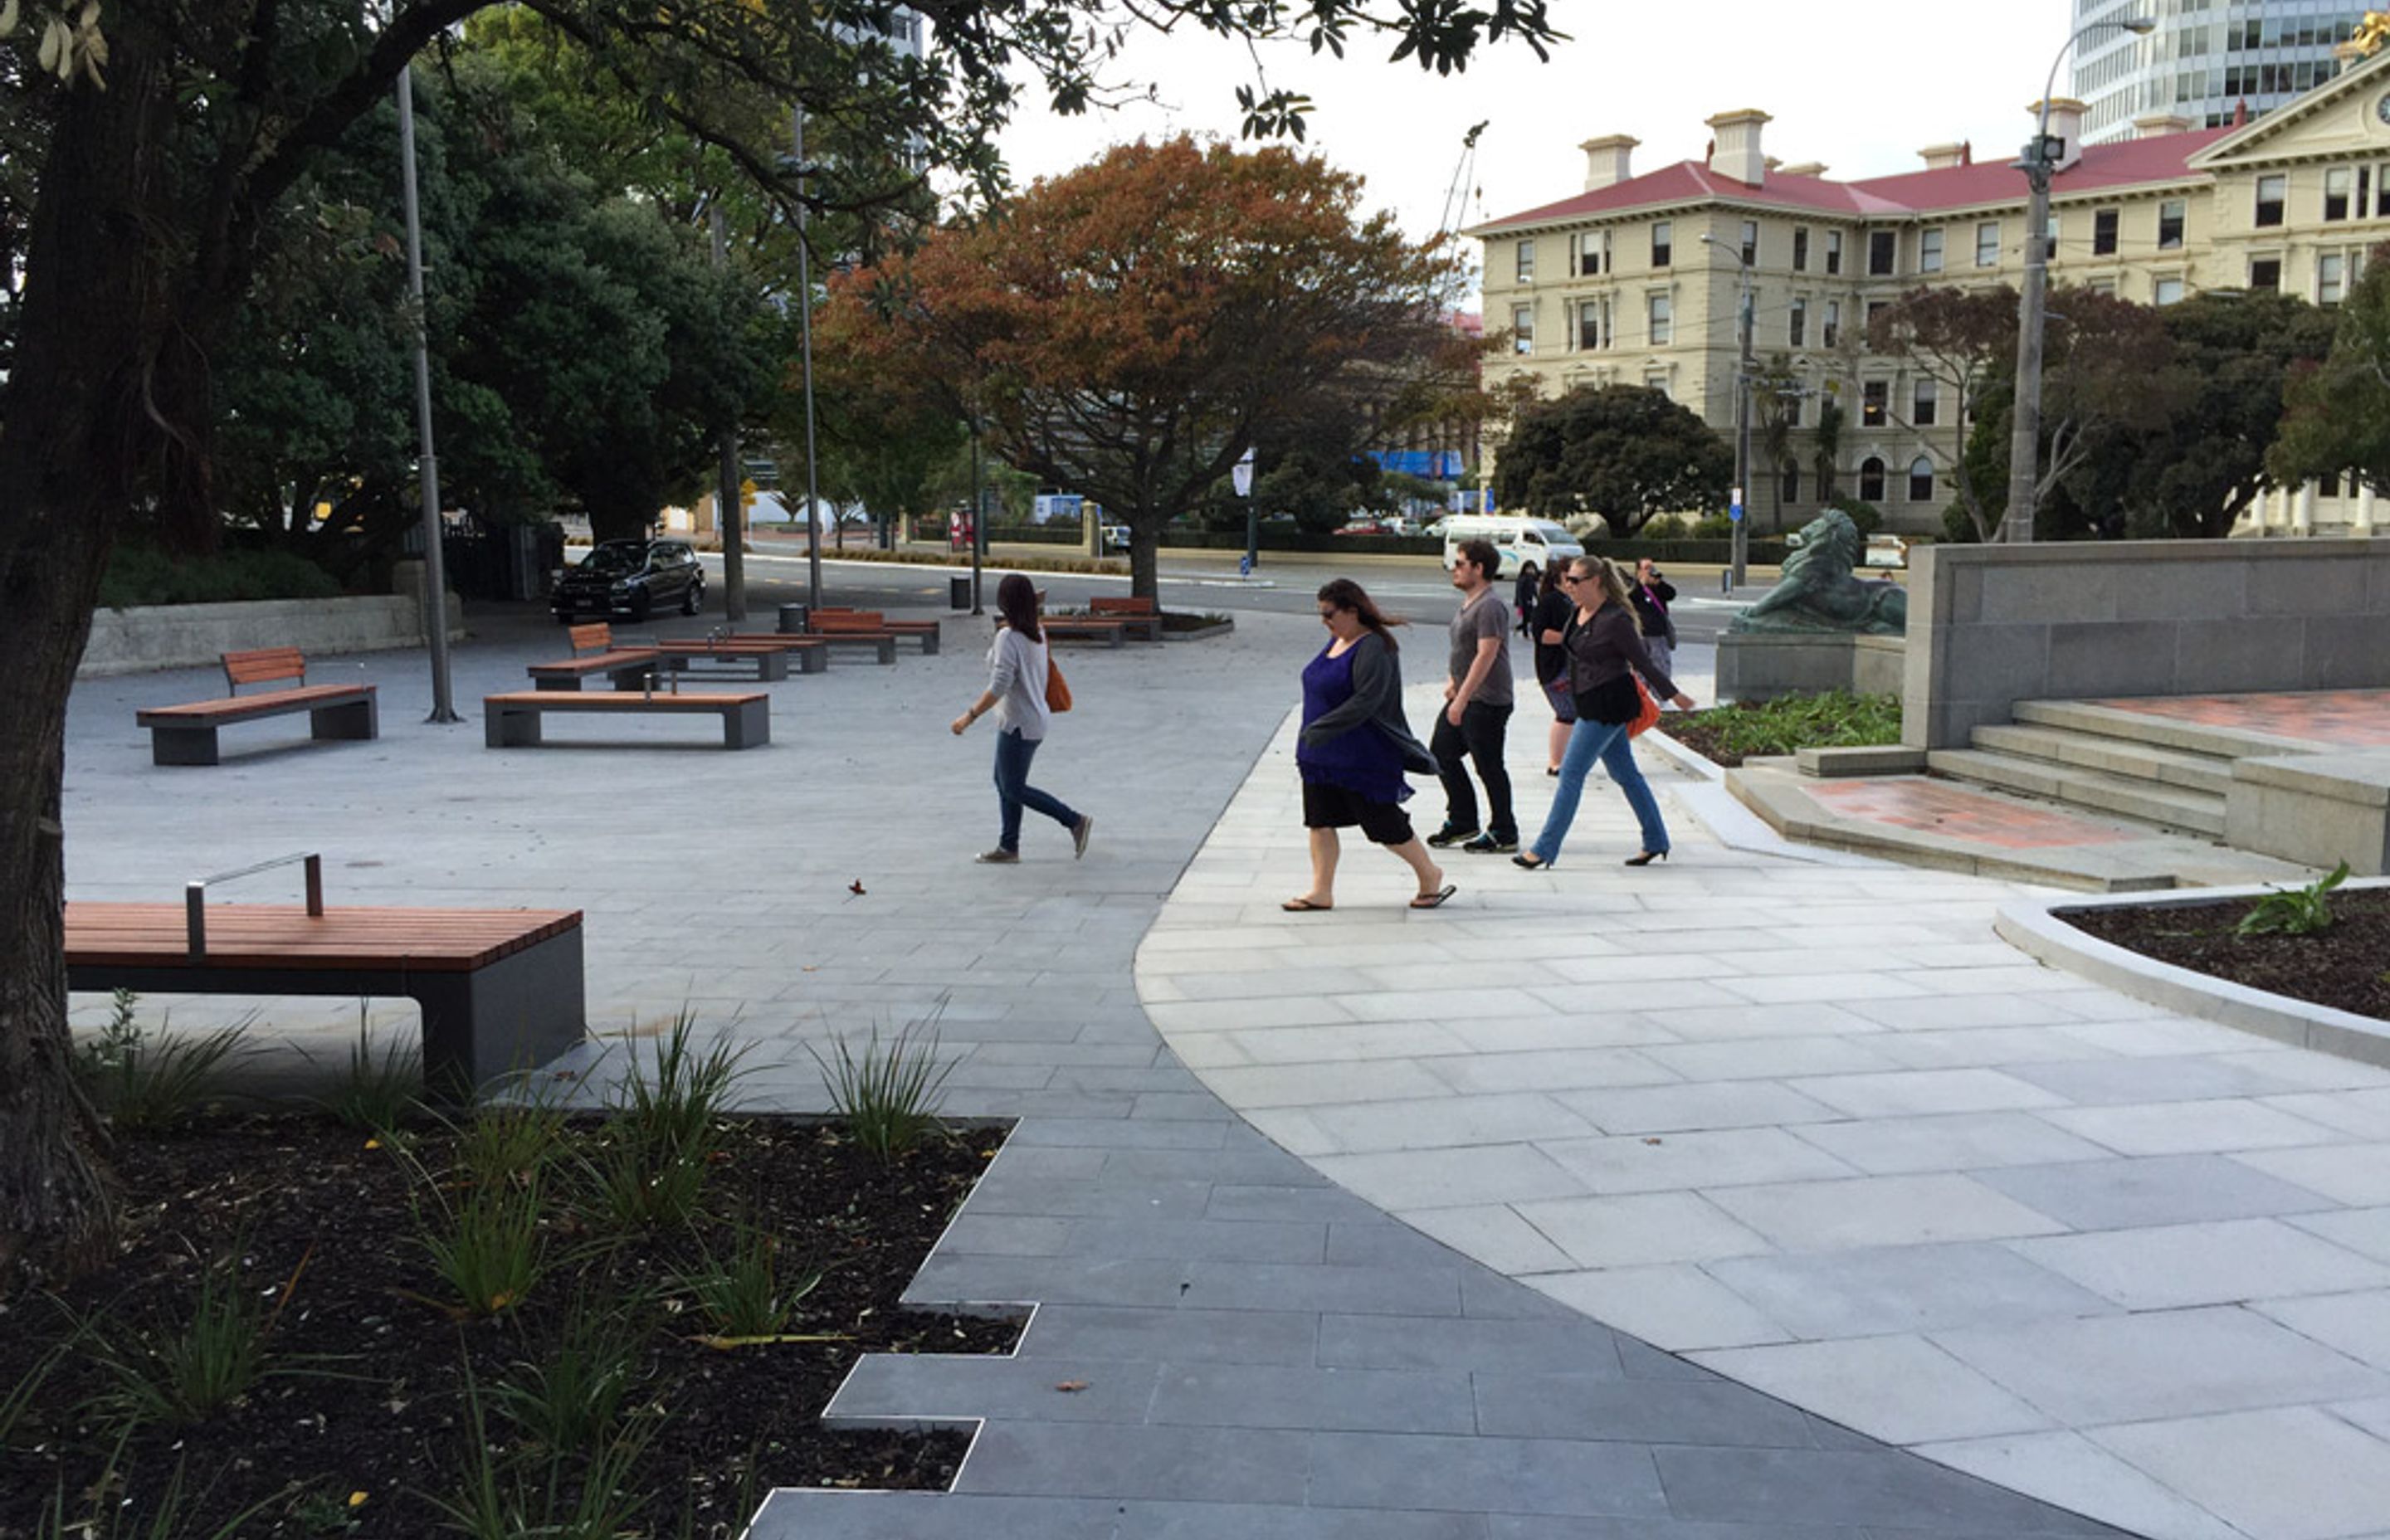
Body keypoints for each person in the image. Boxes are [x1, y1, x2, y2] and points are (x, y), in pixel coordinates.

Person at [1515, 556, 1695, 871]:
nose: (1568, 585)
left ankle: (1544, 848)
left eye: (1575, 580)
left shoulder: (1615, 620)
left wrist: (1674, 695)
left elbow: (1644, 662)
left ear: (1595, 582)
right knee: (1625, 774)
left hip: (1608, 704)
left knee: (1570, 774)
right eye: (1567, 579)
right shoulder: (1579, 614)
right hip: (1587, 699)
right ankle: (1656, 840)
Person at [1285, 578, 1454, 912]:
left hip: (1361, 754)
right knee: (1319, 820)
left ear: (1352, 610)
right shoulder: (1336, 641)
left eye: (1329, 613)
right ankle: (1321, 891)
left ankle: (1429, 875)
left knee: (1382, 823)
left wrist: (1323, 727)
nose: (1325, 621)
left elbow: (1367, 700)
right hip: (1320, 754)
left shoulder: (1374, 645)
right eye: (1321, 614)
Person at [951, 573, 1093, 864]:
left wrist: (970, 716)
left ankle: (1074, 820)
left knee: (1012, 786)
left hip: (1018, 723)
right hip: (1031, 719)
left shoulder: (1009, 637)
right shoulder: (1037, 632)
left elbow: (1000, 682)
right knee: (1004, 782)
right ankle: (1008, 846)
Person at [1427, 539, 1517, 855]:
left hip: (1487, 699)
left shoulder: (1490, 605)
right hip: (1466, 695)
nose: (1455, 569)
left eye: (1461, 563)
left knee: (1489, 764)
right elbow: (1462, 651)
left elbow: (1486, 654)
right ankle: (1463, 819)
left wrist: (1462, 699)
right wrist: (1454, 683)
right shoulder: (1470, 603)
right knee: (1441, 752)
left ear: (1479, 569)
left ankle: (1504, 830)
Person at [1530, 560, 1576, 777]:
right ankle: (1556, 761)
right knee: (1566, 713)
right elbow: (1541, 634)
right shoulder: (1550, 602)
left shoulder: (1570, 601)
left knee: (1574, 714)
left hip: (1570, 667)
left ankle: (1566, 758)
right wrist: (1572, 638)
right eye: (1571, 577)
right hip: (1555, 668)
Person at [1627, 557, 1679, 684]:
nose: (1650, 571)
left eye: (1651, 567)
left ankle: (1661, 697)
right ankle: (1643, 697)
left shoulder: (1658, 586)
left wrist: (1659, 583)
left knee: (1661, 667)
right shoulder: (1634, 587)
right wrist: (1641, 584)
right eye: (1646, 568)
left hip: (1658, 634)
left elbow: (1671, 594)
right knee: (1641, 670)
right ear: (1638, 571)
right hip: (1640, 635)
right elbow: (1628, 599)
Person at [1513, 559, 1539, 636]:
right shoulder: (1523, 578)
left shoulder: (1531, 578)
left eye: (1532, 569)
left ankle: (1519, 629)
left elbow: (1534, 590)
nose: (1531, 570)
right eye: (1529, 568)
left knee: (1529, 618)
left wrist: (1538, 598)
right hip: (1524, 601)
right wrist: (1520, 603)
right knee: (1526, 618)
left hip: (1529, 600)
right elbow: (1519, 591)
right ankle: (1524, 633)